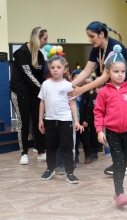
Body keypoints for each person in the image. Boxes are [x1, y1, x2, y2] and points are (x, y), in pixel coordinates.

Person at [67, 21, 127, 175]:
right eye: (88, 37)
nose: (90, 40)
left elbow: (106, 75)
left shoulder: (114, 48)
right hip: (112, 90)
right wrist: (68, 86)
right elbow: (86, 71)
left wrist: (82, 89)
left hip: (124, 90)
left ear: (102, 34)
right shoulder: (96, 50)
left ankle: (121, 164)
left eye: (92, 36)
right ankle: (119, 162)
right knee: (110, 127)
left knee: (120, 127)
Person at [94, 45, 127, 207]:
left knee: (124, 163)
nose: (120, 74)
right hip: (112, 133)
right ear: (108, 72)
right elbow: (99, 112)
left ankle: (118, 193)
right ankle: (120, 192)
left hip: (126, 132)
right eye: (116, 71)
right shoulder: (104, 92)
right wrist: (99, 130)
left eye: (122, 71)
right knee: (119, 162)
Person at [38, 55, 83, 184]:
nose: (55, 70)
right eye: (52, 67)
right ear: (49, 69)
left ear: (65, 69)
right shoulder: (46, 84)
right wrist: (41, 119)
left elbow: (73, 104)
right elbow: (42, 102)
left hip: (65, 121)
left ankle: (70, 172)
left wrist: (76, 121)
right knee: (50, 146)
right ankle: (50, 169)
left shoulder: (68, 85)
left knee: (67, 147)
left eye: (58, 67)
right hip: (50, 120)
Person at [10, 27, 47, 165]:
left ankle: (41, 151)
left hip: (34, 94)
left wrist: (46, 87)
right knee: (23, 122)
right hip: (19, 93)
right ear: (37, 38)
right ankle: (24, 153)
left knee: (39, 121)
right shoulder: (21, 53)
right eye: (45, 39)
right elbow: (28, 75)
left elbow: (40, 76)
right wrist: (44, 89)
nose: (46, 42)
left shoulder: (41, 56)